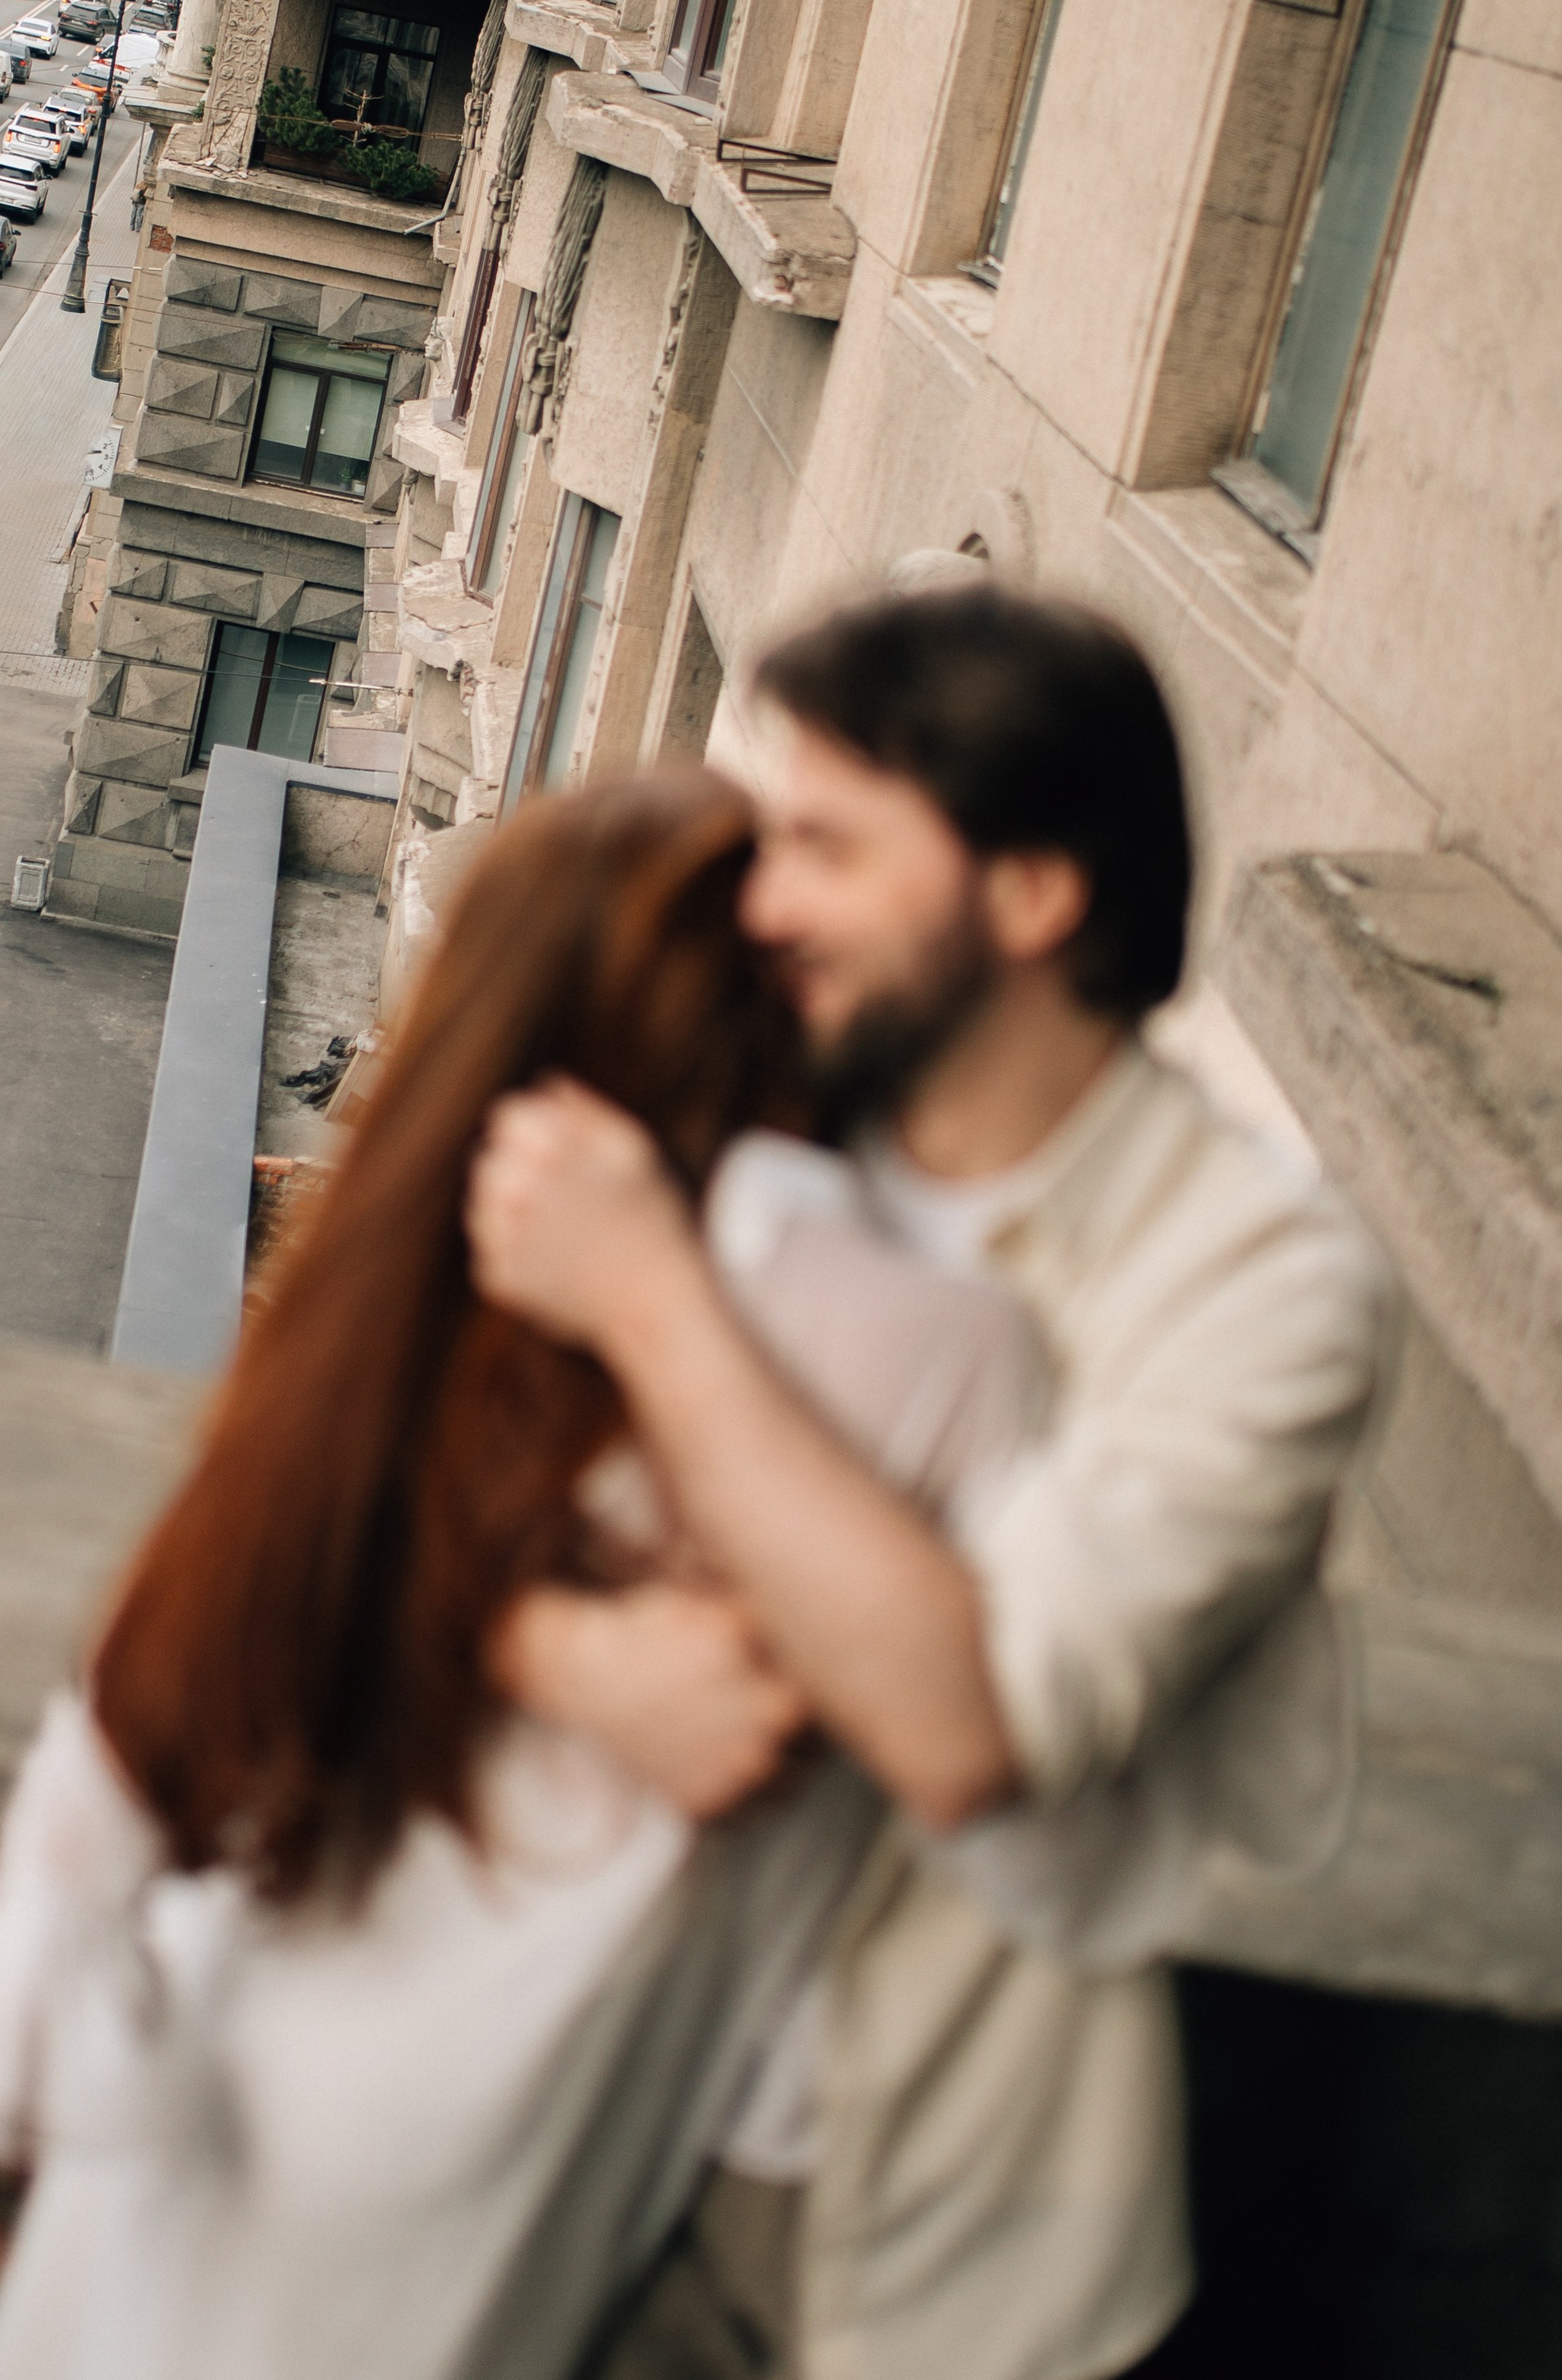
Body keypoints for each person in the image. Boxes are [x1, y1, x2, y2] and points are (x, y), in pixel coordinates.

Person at [0, 769, 1049, 2380]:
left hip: (213, 2080)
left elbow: (204, 1615)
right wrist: (542, 1647)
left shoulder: (444, 1297)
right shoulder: (899, 1344)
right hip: (453, 2175)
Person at [468, 586, 1391, 2380]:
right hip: (546, 2091)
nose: (760, 903)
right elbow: (399, 1501)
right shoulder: (736, 1099)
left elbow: (971, 1729)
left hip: (908, 2247)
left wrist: (652, 1300)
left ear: (1031, 895)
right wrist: (550, 1652)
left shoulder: (1261, 1283)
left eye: (821, 845)